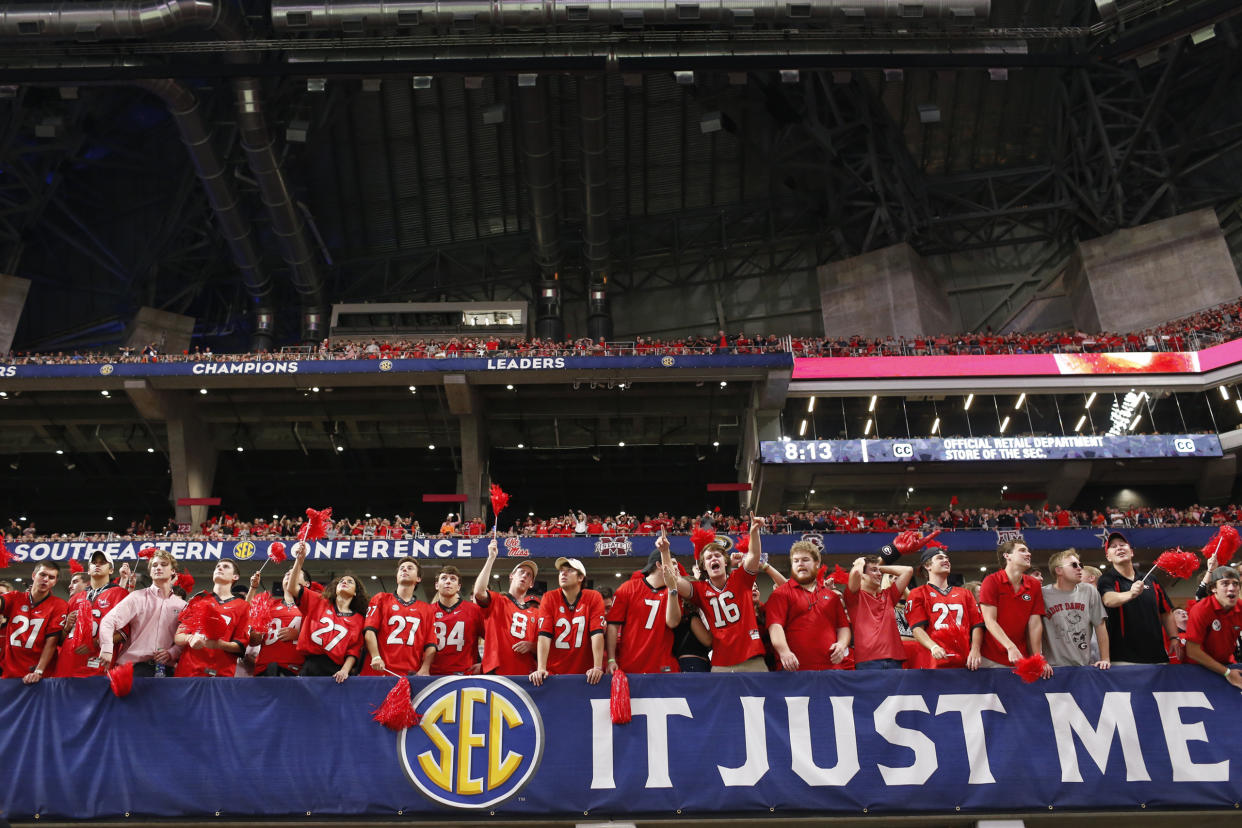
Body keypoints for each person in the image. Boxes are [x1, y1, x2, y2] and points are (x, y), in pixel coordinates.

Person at [674, 516, 767, 672]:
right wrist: (664, 553)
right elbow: (675, 582)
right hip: (721, 662)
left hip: (752, 657)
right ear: (704, 567)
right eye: (708, 558)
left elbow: (754, 555)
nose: (713, 559)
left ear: (725, 562)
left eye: (717, 556)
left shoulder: (741, 579)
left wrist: (755, 531)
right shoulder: (699, 589)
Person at [286, 541, 368, 682]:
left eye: (350, 582)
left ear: (356, 593)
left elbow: (353, 651)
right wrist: (299, 562)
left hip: (336, 671)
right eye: (342, 581)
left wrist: (344, 670)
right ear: (335, 588)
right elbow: (292, 588)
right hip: (311, 666)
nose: (345, 582)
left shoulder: (359, 619)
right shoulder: (318, 601)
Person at [765, 540, 850, 671]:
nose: (800, 564)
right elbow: (775, 626)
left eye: (805, 560)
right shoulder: (780, 593)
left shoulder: (832, 596)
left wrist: (842, 644)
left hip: (831, 669)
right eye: (796, 561)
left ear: (817, 564)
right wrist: (784, 651)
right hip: (793, 670)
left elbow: (843, 627)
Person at [98, 550, 187, 676]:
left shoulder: (182, 606)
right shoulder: (136, 597)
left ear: (173, 571)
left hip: (165, 671)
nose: (158, 568)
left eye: (164, 564)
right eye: (154, 566)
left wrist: (172, 652)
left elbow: (184, 639)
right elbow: (108, 621)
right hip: (133, 669)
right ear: (150, 572)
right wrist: (106, 648)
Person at [1097, 531, 1180, 664]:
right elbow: (1108, 599)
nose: (1119, 548)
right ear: (1108, 557)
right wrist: (1131, 594)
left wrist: (1174, 637)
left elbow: (1166, 612)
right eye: (1113, 546)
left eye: (1122, 545)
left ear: (1132, 552)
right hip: (1123, 659)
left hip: (1157, 656)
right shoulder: (1106, 579)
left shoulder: (1151, 579)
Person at [606, 531, 681, 674]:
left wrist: (673, 589)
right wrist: (611, 659)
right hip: (631, 664)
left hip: (663, 666)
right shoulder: (629, 588)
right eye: (673, 563)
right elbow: (613, 625)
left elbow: (672, 622)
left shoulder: (673, 591)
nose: (676, 568)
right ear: (659, 565)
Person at [979, 538, 1051, 677]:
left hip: (1020, 658)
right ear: (1007, 556)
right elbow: (989, 621)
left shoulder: (1034, 585)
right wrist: (1010, 647)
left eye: (1028, 551)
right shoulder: (991, 581)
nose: (1028, 554)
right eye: (1022, 550)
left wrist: (1037, 657)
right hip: (990, 657)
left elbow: (1035, 624)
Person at [529, 557, 606, 685]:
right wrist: (541, 668)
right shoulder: (549, 597)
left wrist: (597, 667)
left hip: (586, 675)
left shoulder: (593, 597)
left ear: (580, 577)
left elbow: (597, 633)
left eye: (569, 570)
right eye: (561, 571)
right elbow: (544, 635)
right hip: (554, 674)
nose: (563, 573)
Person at [471, 534, 540, 676]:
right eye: (521, 572)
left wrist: (532, 646)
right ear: (511, 576)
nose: (525, 576)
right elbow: (478, 592)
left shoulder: (536, 613)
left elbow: (544, 645)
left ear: (531, 583)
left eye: (529, 575)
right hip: (498, 671)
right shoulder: (498, 601)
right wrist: (491, 558)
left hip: (526, 672)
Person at [54, 551, 131, 677]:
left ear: (111, 570)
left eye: (102, 563)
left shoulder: (120, 593)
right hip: (67, 661)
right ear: (89, 570)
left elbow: (124, 633)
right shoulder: (75, 598)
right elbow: (60, 640)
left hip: (97, 662)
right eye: (94, 563)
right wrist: (67, 626)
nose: (97, 565)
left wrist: (94, 643)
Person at [905, 546, 983, 670]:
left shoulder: (965, 593)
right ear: (928, 566)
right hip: (934, 660)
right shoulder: (918, 593)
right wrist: (933, 647)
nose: (946, 560)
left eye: (947, 558)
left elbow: (977, 625)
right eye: (940, 558)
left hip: (965, 659)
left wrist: (975, 649)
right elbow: (917, 629)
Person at [174, 560, 250, 677]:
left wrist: (219, 645)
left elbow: (240, 646)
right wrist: (190, 638)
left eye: (225, 567)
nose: (220, 568)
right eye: (218, 566)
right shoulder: (198, 599)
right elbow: (178, 637)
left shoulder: (243, 606)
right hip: (188, 670)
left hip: (220, 673)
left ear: (235, 576)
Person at [362, 557, 436, 677]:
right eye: (401, 568)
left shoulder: (427, 609)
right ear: (397, 577)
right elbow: (369, 631)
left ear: (418, 578)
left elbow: (431, 645)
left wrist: (425, 668)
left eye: (410, 568)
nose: (404, 569)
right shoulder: (381, 599)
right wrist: (376, 656)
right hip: (379, 671)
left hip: (410, 674)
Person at [1041, 548, 1110, 669]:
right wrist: (1039, 660)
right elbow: (1033, 628)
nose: (1079, 568)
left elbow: (1100, 625)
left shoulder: (1089, 591)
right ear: (1059, 570)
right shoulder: (1042, 594)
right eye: (1074, 565)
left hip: (1083, 666)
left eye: (1080, 564)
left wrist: (1105, 658)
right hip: (1052, 668)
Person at [1, 561, 68, 683]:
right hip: (10, 672)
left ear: (55, 582)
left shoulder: (59, 605)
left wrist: (38, 671)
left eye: (51, 577)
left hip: (40, 675)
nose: (46, 579)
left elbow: (51, 642)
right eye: (42, 574)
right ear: (33, 575)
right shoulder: (15, 597)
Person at [845, 554, 913, 670]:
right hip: (868, 661)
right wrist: (860, 562)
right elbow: (856, 572)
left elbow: (908, 570)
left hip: (895, 660)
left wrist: (878, 568)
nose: (879, 574)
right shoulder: (854, 597)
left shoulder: (888, 596)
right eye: (873, 570)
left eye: (879, 571)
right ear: (863, 575)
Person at [1183, 566, 1242, 689]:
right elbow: (1192, 651)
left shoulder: (1240, 607)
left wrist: (1228, 670)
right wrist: (1226, 672)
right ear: (1213, 588)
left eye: (1235, 584)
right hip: (1198, 668)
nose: (1231, 588)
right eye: (1225, 584)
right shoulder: (1201, 610)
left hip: (1227, 664)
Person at [248, 567, 307, 677]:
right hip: (264, 669)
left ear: (307, 584)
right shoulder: (268, 606)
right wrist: (257, 634)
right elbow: (253, 641)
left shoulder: (311, 606)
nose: (289, 575)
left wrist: (299, 635)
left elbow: (322, 639)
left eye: (295, 573)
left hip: (295, 670)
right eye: (287, 573)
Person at [429, 565, 485, 676]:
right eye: (444, 578)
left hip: (466, 675)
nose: (448, 582)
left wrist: (486, 663)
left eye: (453, 579)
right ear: (436, 585)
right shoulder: (427, 611)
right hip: (434, 675)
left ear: (458, 587)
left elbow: (493, 639)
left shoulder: (474, 610)